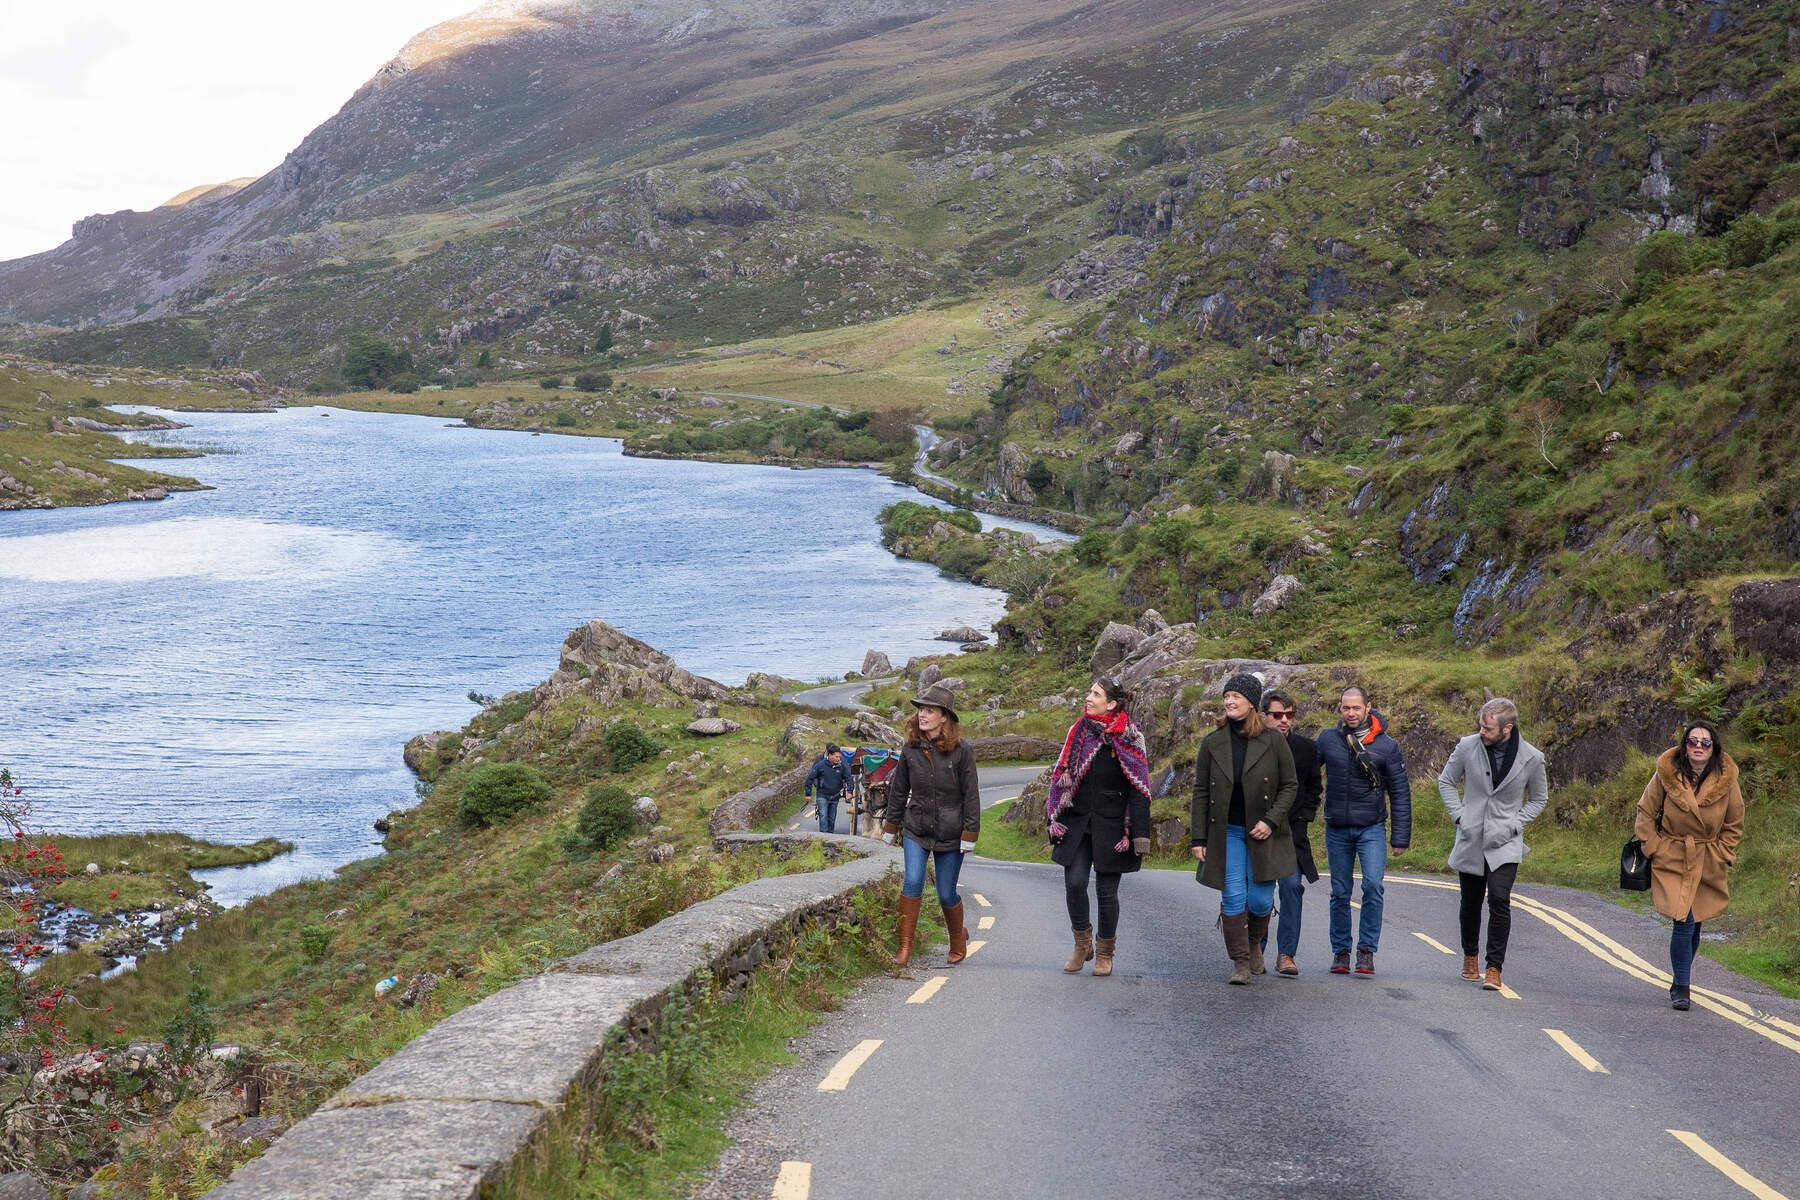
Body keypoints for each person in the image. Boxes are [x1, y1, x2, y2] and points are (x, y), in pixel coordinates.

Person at [1191, 673, 1298, 984]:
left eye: (1236, 696)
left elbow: (1290, 786)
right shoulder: (1212, 743)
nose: (1229, 700)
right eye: (1227, 696)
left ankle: (1253, 943)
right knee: (1234, 897)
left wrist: (1270, 821)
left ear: (1252, 703)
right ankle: (1239, 961)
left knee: (1261, 901)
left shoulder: (1273, 739)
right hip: (1228, 832)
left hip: (1264, 833)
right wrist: (1199, 836)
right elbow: (1201, 792)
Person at [1437, 697, 1549, 992]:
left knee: (1499, 900)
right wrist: (1460, 816)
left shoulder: (1532, 757)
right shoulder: (1466, 746)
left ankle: (1494, 968)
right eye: (1481, 726)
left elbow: (1539, 799)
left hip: (1505, 841)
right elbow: (1446, 781)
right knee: (1470, 902)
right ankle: (1470, 957)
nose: (1482, 732)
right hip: (1472, 836)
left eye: (1488, 728)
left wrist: (1516, 822)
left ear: (1507, 728)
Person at [1045, 677, 1153, 977]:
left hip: (1114, 826)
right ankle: (1082, 943)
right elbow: (1060, 776)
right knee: (1075, 882)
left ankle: (1105, 952)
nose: (1088, 698)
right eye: (1089, 692)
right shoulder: (1078, 732)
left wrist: (1140, 834)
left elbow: (1139, 787)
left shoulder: (1131, 737)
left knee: (1107, 892)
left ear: (1112, 703)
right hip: (1077, 822)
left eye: (1096, 694)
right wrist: (1053, 815)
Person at [1634, 719, 1744, 1011]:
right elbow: (1645, 811)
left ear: (1713, 748)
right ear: (1684, 746)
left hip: (1707, 858)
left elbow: (1735, 821)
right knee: (1683, 920)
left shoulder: (1726, 780)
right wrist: (1653, 846)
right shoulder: (1666, 773)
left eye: (1704, 742)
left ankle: (1679, 978)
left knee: (1695, 925)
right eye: (1692, 741)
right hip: (1672, 855)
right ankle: (1681, 986)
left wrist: (1722, 852)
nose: (1698, 747)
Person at [882, 683, 981, 968]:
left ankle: (957, 940)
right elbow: (899, 790)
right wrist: (891, 827)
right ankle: (904, 948)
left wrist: (969, 833)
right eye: (921, 710)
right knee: (912, 881)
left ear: (944, 717)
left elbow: (971, 795)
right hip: (917, 829)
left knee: (946, 893)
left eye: (929, 710)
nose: (922, 715)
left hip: (951, 833)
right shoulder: (910, 749)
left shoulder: (962, 752)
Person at [1315, 686, 1411, 976]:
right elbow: (1306, 775)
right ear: (1340, 709)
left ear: (1368, 707)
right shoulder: (1328, 740)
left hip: (1371, 827)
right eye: (1346, 708)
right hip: (1337, 828)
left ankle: (1366, 951)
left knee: (1372, 886)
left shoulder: (1386, 746)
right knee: (1340, 892)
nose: (1351, 713)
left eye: (1356, 708)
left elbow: (1399, 792)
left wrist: (1400, 836)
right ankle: (1341, 952)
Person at [1260, 690, 1321, 976]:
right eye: (1277, 715)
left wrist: (1305, 817)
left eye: (1290, 715)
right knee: (1257, 893)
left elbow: (1313, 789)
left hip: (1291, 833)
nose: (1285, 721)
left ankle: (1286, 954)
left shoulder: (1307, 749)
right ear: (1263, 716)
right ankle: (1254, 950)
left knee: (1292, 887)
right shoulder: (1253, 745)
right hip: (1256, 831)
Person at [805, 743, 853, 835]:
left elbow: (849, 778)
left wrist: (850, 791)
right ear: (830, 755)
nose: (839, 759)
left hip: (835, 796)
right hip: (822, 795)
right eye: (836, 757)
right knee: (823, 815)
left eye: (839, 757)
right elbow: (810, 779)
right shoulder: (820, 765)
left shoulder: (842, 766)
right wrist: (808, 794)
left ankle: (830, 835)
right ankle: (823, 837)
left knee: (832, 818)